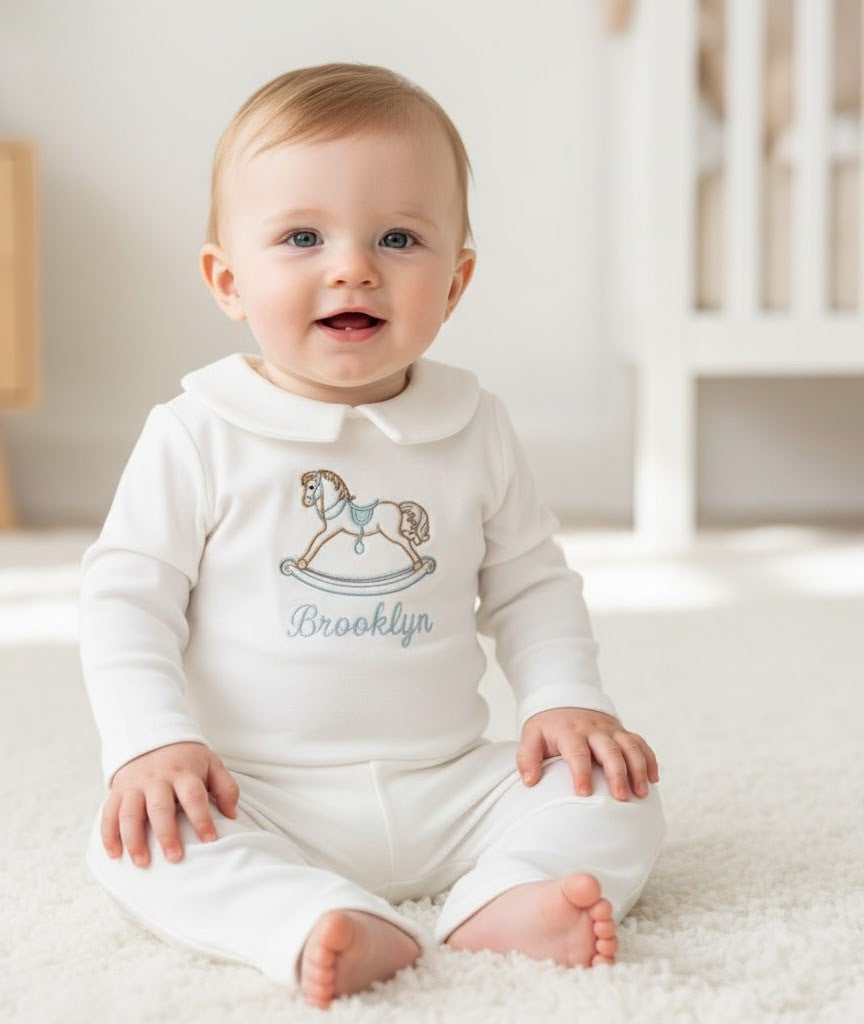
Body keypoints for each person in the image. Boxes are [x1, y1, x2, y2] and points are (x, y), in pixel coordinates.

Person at [80, 62, 665, 1010]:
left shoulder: (473, 425)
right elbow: (125, 598)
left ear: (457, 280)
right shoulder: (199, 431)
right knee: (140, 843)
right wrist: (149, 743)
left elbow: (529, 584)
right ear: (228, 281)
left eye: (399, 237)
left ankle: (504, 899)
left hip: (451, 783)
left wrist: (566, 699)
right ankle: (308, 920)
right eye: (302, 236)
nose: (352, 265)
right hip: (256, 791)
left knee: (618, 795)